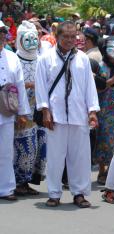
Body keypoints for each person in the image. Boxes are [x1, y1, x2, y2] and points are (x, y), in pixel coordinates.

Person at [35, 21, 100, 208]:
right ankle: (54, 193)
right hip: (55, 116)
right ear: (57, 36)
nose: (70, 40)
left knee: (80, 157)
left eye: (73, 37)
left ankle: (79, 193)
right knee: (55, 156)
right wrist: (45, 111)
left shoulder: (83, 59)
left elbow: (90, 87)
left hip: (79, 114)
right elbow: (41, 87)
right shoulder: (45, 59)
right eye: (66, 37)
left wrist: (92, 111)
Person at [13, 20, 47, 196]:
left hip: (39, 110)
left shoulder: (41, 60)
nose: (32, 43)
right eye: (28, 39)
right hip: (21, 111)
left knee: (38, 147)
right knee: (23, 146)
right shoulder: (14, 59)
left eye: (35, 39)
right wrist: (29, 85)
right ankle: (18, 181)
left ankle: (28, 181)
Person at [0, 20, 31, 201]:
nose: (0, 36)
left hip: (7, 107)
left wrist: (22, 112)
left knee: (5, 150)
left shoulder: (12, 57)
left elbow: (19, 85)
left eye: (2, 32)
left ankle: (6, 188)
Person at [94, 36, 114, 186]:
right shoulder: (100, 66)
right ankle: (101, 170)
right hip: (103, 106)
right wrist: (110, 82)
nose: (113, 51)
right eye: (110, 48)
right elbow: (96, 87)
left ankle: (111, 171)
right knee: (103, 137)